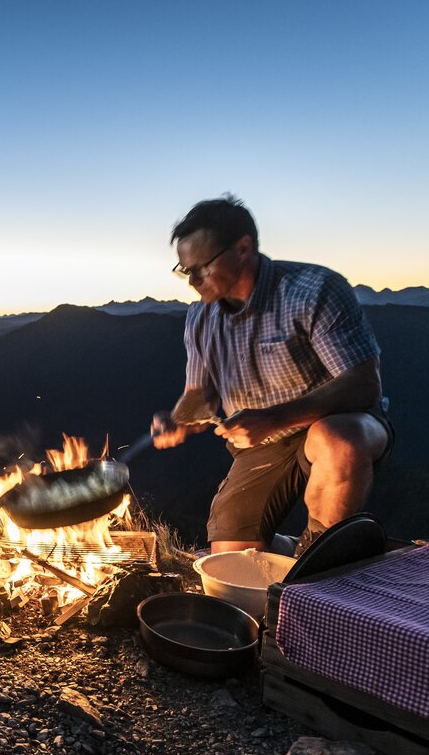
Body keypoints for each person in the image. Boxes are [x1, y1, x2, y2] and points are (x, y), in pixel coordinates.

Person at [149, 197, 392, 555]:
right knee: (233, 559)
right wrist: (179, 419)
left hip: (336, 422)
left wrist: (274, 417)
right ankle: (290, 553)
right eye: (185, 271)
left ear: (243, 248)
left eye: (201, 268)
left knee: (338, 439)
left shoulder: (313, 290)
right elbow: (200, 394)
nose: (192, 281)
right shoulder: (201, 318)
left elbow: (363, 384)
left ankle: (318, 551)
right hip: (263, 444)